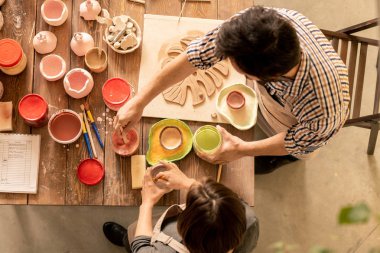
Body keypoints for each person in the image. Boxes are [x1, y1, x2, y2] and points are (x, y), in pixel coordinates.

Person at [113, 6, 350, 173]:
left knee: (272, 159)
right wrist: (140, 101)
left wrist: (242, 149)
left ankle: (276, 163)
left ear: (263, 77)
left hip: (299, 129)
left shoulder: (323, 110)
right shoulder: (257, 26)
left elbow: (296, 141)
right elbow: (195, 56)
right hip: (276, 102)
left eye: (244, 73)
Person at [103, 161, 259, 253]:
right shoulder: (249, 219)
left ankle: (126, 240)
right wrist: (187, 182)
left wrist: (147, 203)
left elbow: (141, 247)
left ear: (185, 230)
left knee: (133, 236)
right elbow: (228, 200)